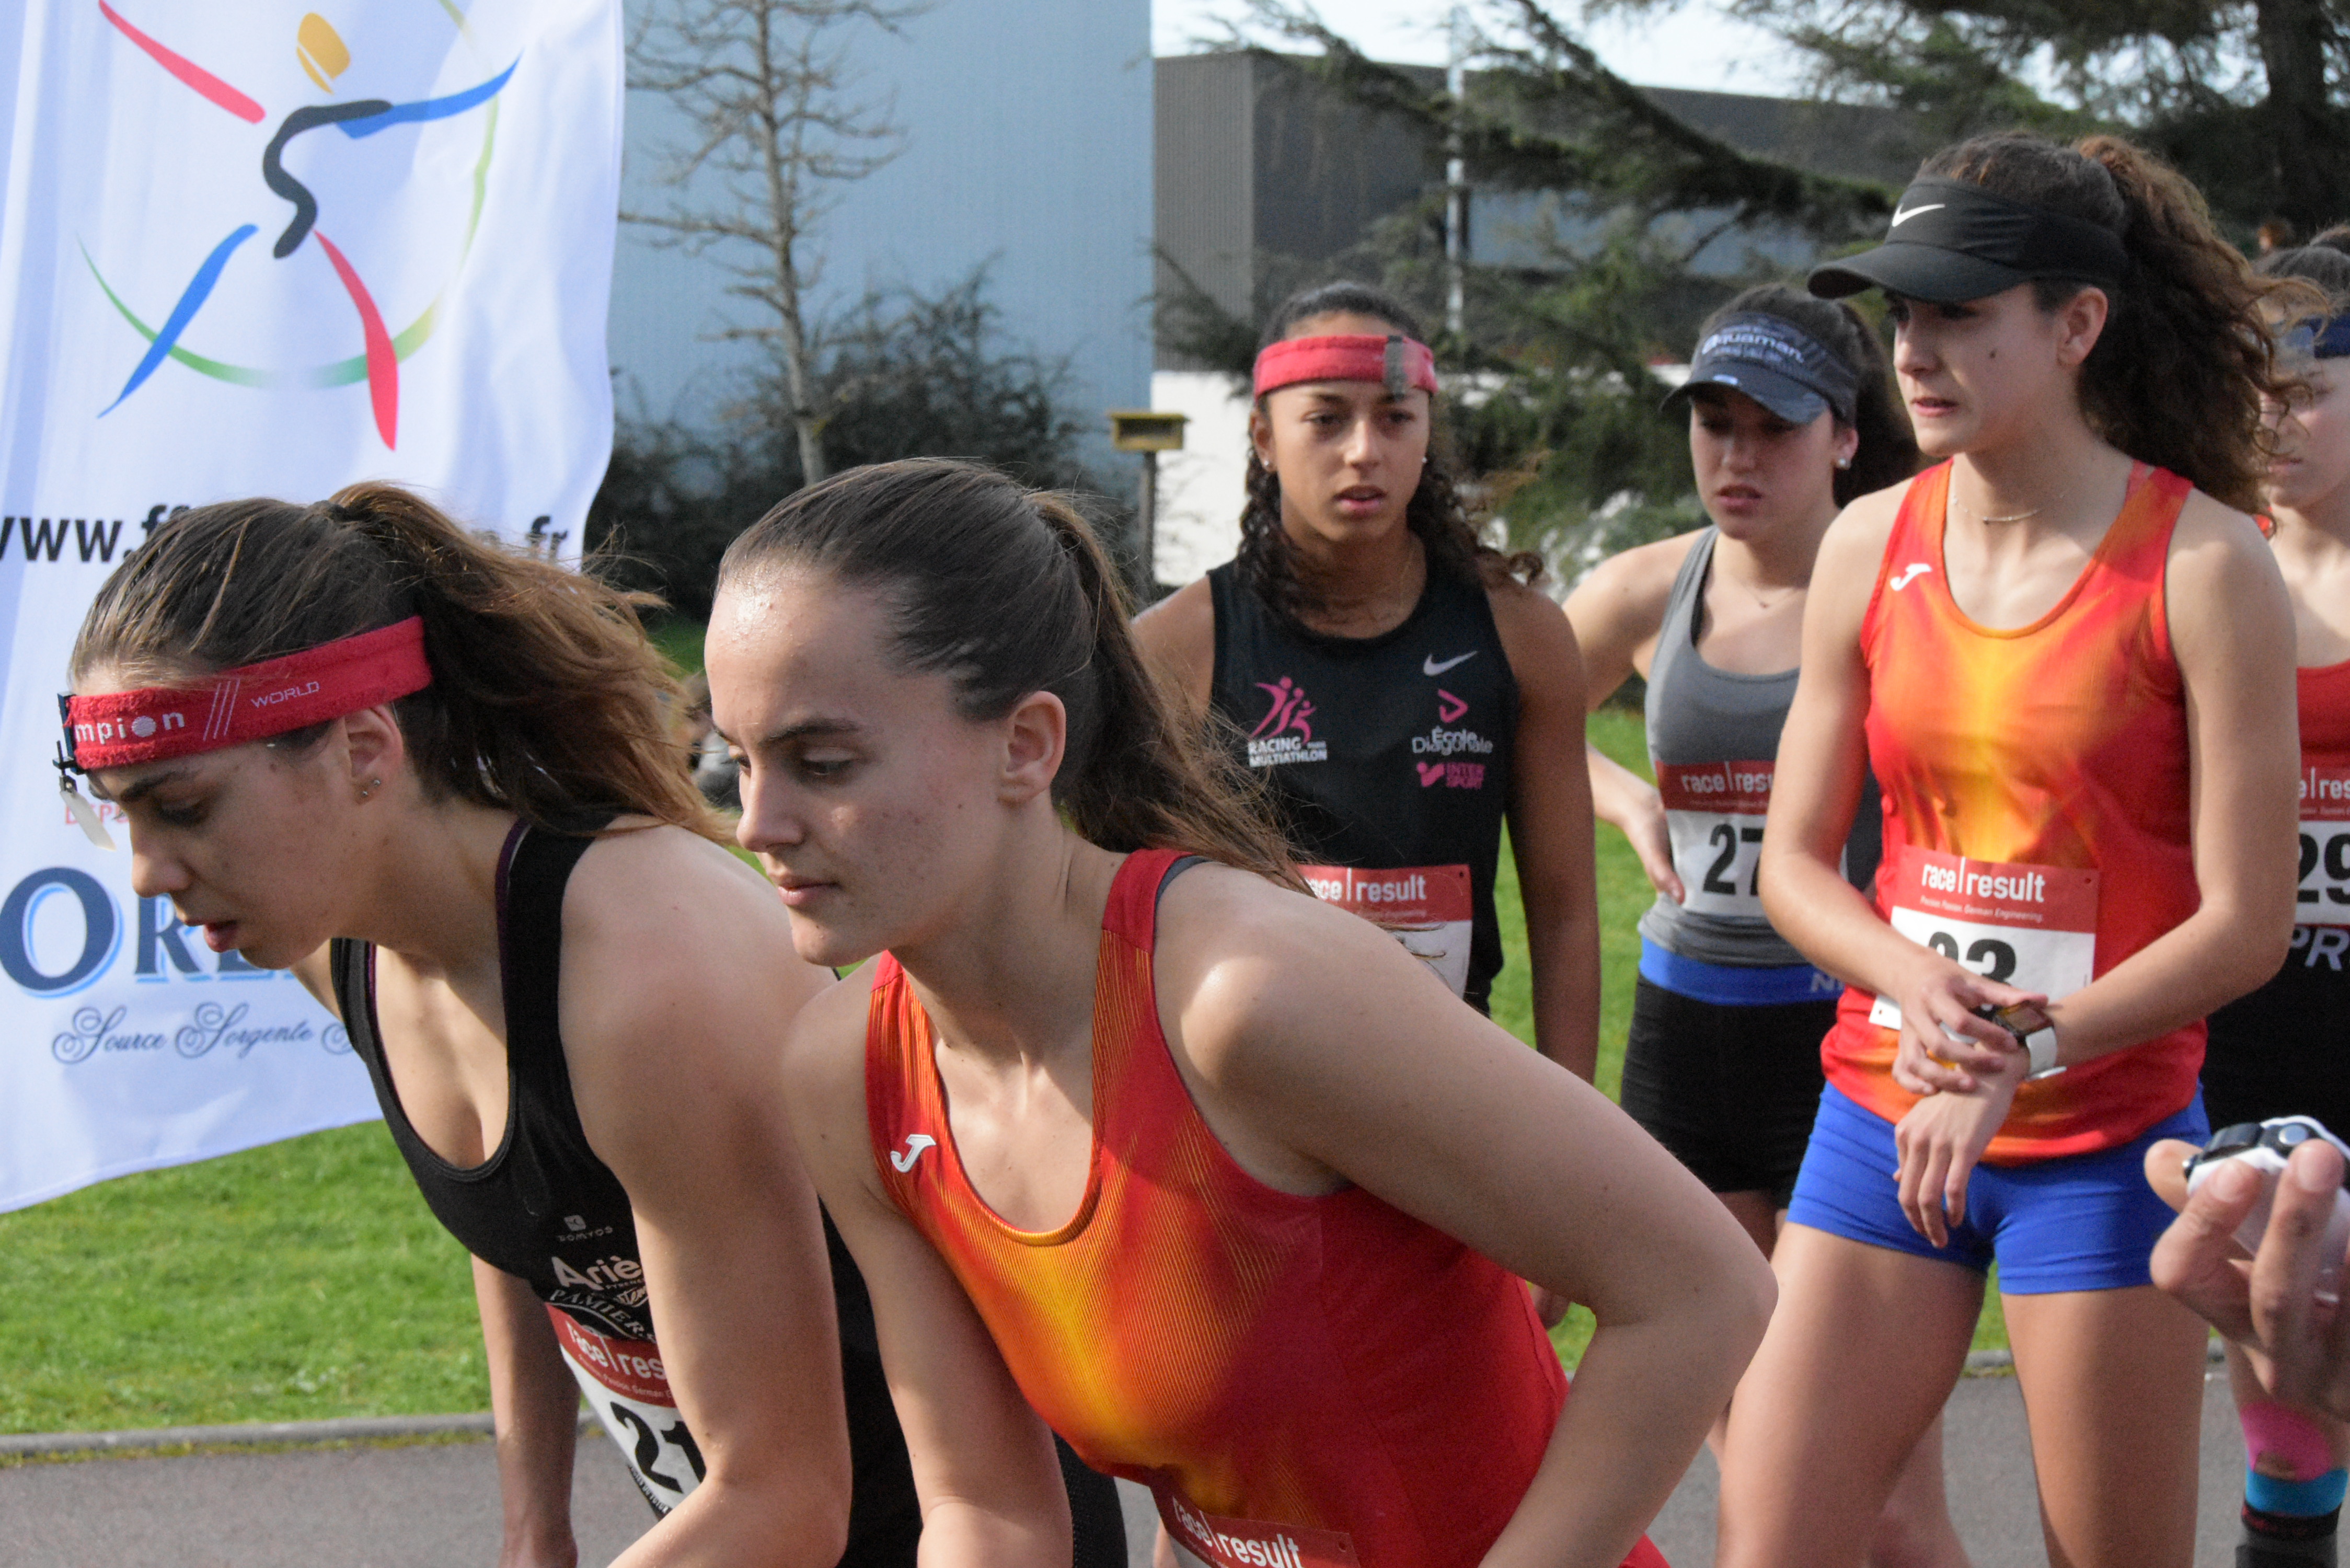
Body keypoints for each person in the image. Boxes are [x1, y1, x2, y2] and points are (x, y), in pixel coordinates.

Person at [706, 456, 1776, 1568]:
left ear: (1025, 745)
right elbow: (989, 1512)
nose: (757, 824)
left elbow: (1702, 1290)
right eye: (738, 762)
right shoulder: (847, 1076)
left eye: (821, 763)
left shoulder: (1243, 997)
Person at [59, 487, 1126, 1568]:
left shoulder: (644, 982)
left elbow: (788, 1499)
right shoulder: (343, 945)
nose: (146, 874)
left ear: (365, 751)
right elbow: (533, 1224)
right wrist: (537, 1528)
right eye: (119, 813)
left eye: (182, 808)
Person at [1716, 132, 2303, 1568]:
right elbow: (1794, 865)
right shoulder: (1868, 542)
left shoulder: (2206, 564)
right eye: (1902, 314)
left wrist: (2018, 1050)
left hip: (2102, 1148)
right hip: (1882, 1119)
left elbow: (2248, 922)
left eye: (1960, 313)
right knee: (1769, 1543)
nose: (1914, 351)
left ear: (2076, 323)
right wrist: (1913, 983)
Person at [1563, 284, 1966, 1568]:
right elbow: (1518, 723)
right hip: (1686, 1041)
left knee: (1883, 1496)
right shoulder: (1647, 587)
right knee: (1755, 1464)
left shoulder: (1911, 581)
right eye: (1714, 425)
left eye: (1773, 430)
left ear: (1845, 436)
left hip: (1846, 1044)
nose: (1736, 460)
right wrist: (1626, 799)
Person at [1133, 281, 1600, 1076]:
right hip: (1250, 1095)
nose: (1362, 451)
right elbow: (1121, 917)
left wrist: (1575, 1122)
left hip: (1447, 1085)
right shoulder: (1176, 647)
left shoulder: (1521, 635)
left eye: (1394, 418)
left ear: (1426, 432)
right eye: (1325, 419)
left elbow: (1564, 916)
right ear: (1264, 437)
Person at [2193, 242, 2350, 1567]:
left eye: (2304, 393)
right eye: (2252, 392)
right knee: (2273, 1328)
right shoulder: (2209, 561)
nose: (2270, 422)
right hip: (2248, 1010)